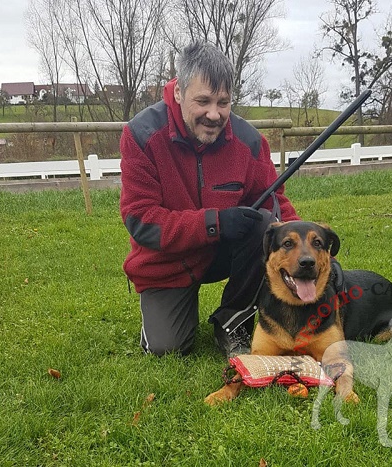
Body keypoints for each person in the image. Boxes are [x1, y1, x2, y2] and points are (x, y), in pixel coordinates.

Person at [120, 41, 299, 358]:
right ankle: (166, 318)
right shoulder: (141, 135)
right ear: (178, 93)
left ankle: (234, 320)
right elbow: (141, 220)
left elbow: (276, 204)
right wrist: (214, 223)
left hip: (223, 253)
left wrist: (304, 251)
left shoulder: (249, 142)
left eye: (223, 103)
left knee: (265, 225)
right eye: (202, 101)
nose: (214, 114)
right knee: (168, 349)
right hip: (167, 261)